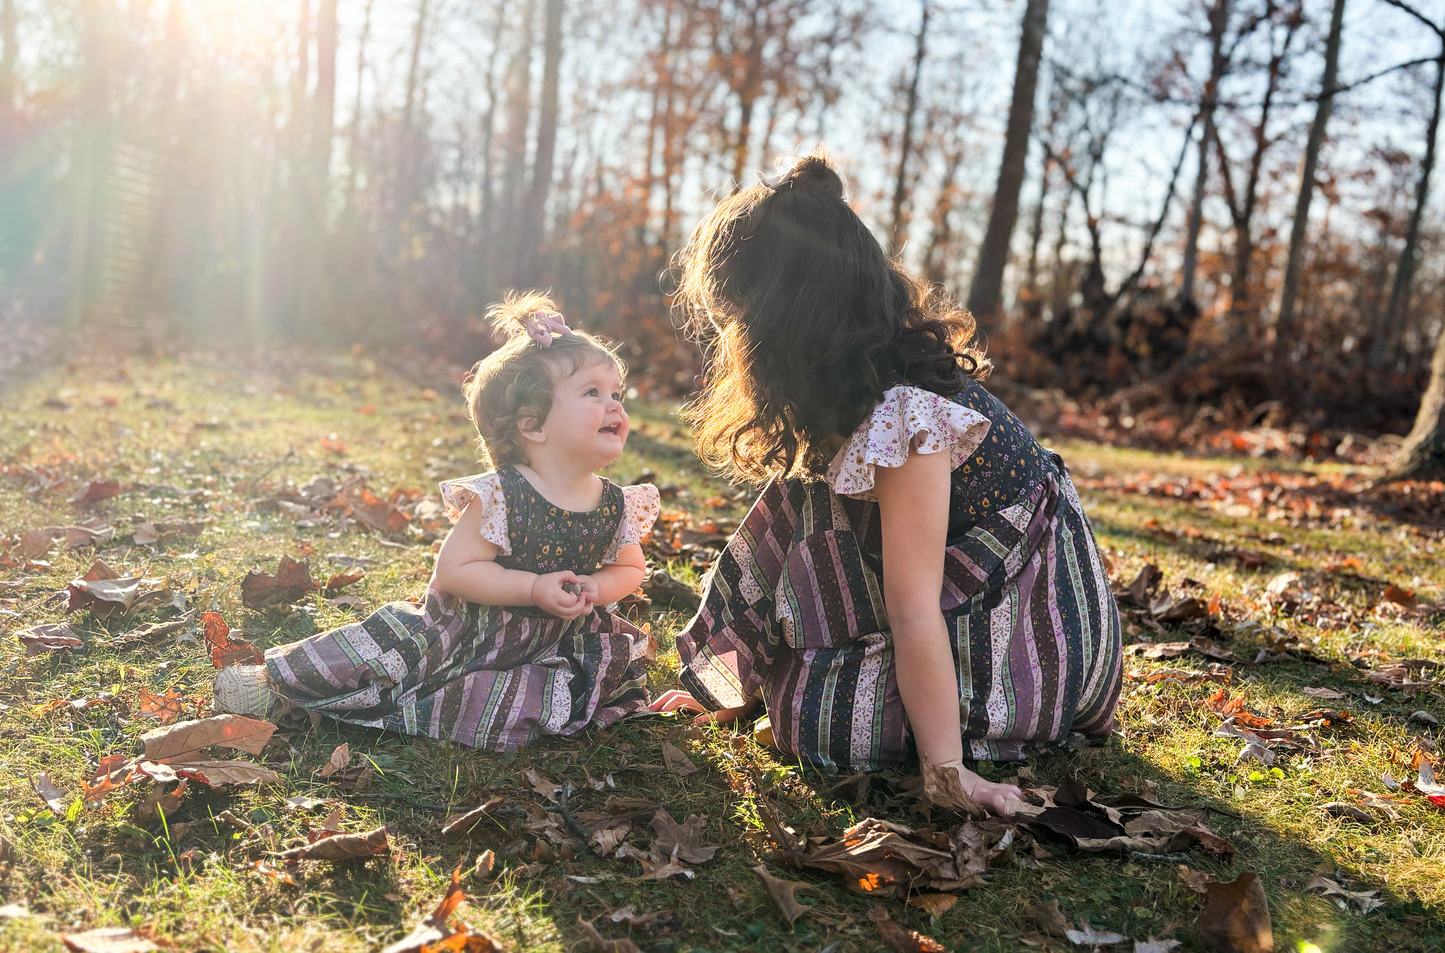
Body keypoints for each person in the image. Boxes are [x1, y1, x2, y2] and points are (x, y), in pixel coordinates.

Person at [651, 155, 1122, 816]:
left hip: (1020, 609)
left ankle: (936, 732)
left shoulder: (909, 417)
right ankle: (743, 673)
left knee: (822, 724)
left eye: (737, 326)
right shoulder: (859, 390)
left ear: (777, 329)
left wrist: (947, 772)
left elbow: (912, 608)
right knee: (796, 498)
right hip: (942, 582)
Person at [214, 293, 660, 752]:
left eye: (616, 394)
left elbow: (629, 569)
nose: (615, 407)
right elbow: (456, 570)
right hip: (468, 630)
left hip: (556, 642)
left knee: (529, 697)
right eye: (592, 393)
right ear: (533, 426)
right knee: (386, 655)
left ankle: (470, 707)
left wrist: (596, 590)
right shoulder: (504, 494)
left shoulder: (614, 503)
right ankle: (275, 683)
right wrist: (532, 589)